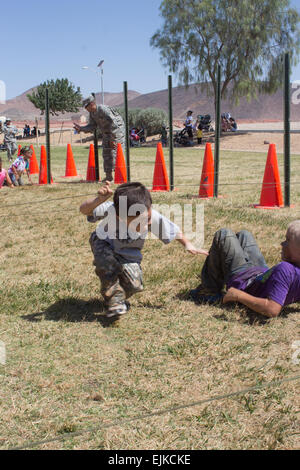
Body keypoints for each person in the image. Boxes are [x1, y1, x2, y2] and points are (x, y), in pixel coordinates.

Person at [80, 181, 208, 318]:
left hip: (127, 254)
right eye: (139, 222)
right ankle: (114, 300)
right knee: (107, 264)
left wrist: (188, 244)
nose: (147, 224)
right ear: (119, 216)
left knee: (134, 285)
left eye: (147, 219)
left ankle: (115, 298)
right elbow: (84, 210)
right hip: (103, 242)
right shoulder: (112, 210)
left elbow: (171, 230)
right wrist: (98, 200)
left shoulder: (151, 216)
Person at [190, 222, 300, 318]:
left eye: (287, 241)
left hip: (243, 282)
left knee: (224, 234)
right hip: (259, 273)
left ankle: (208, 291)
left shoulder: (285, 270)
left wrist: (238, 295)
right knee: (244, 235)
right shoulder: (292, 271)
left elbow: (271, 309)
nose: (282, 243)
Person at [73, 94, 125, 182]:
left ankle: (119, 177)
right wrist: (81, 128)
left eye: (86, 106)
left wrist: (113, 140)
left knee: (116, 153)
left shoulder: (103, 109)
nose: (86, 109)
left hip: (116, 132)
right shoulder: (92, 113)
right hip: (106, 133)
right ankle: (109, 177)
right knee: (106, 154)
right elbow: (92, 126)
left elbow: (114, 124)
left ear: (92, 104)